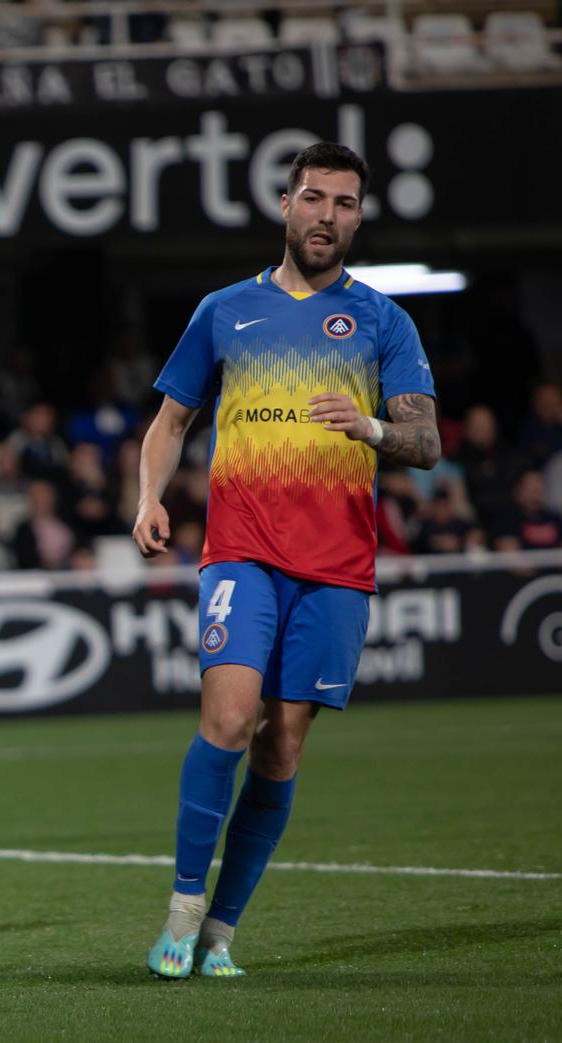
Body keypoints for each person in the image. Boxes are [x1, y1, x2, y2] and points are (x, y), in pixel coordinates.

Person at [133, 142, 439, 980]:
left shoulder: (383, 319)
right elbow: (171, 421)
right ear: (286, 204)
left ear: (357, 217)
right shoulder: (226, 309)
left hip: (337, 567)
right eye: (314, 198)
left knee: (281, 750)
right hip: (242, 551)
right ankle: (182, 912)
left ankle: (222, 933)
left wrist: (371, 427)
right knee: (229, 720)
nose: (327, 216)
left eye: (344, 203)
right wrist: (149, 496)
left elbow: (427, 441)